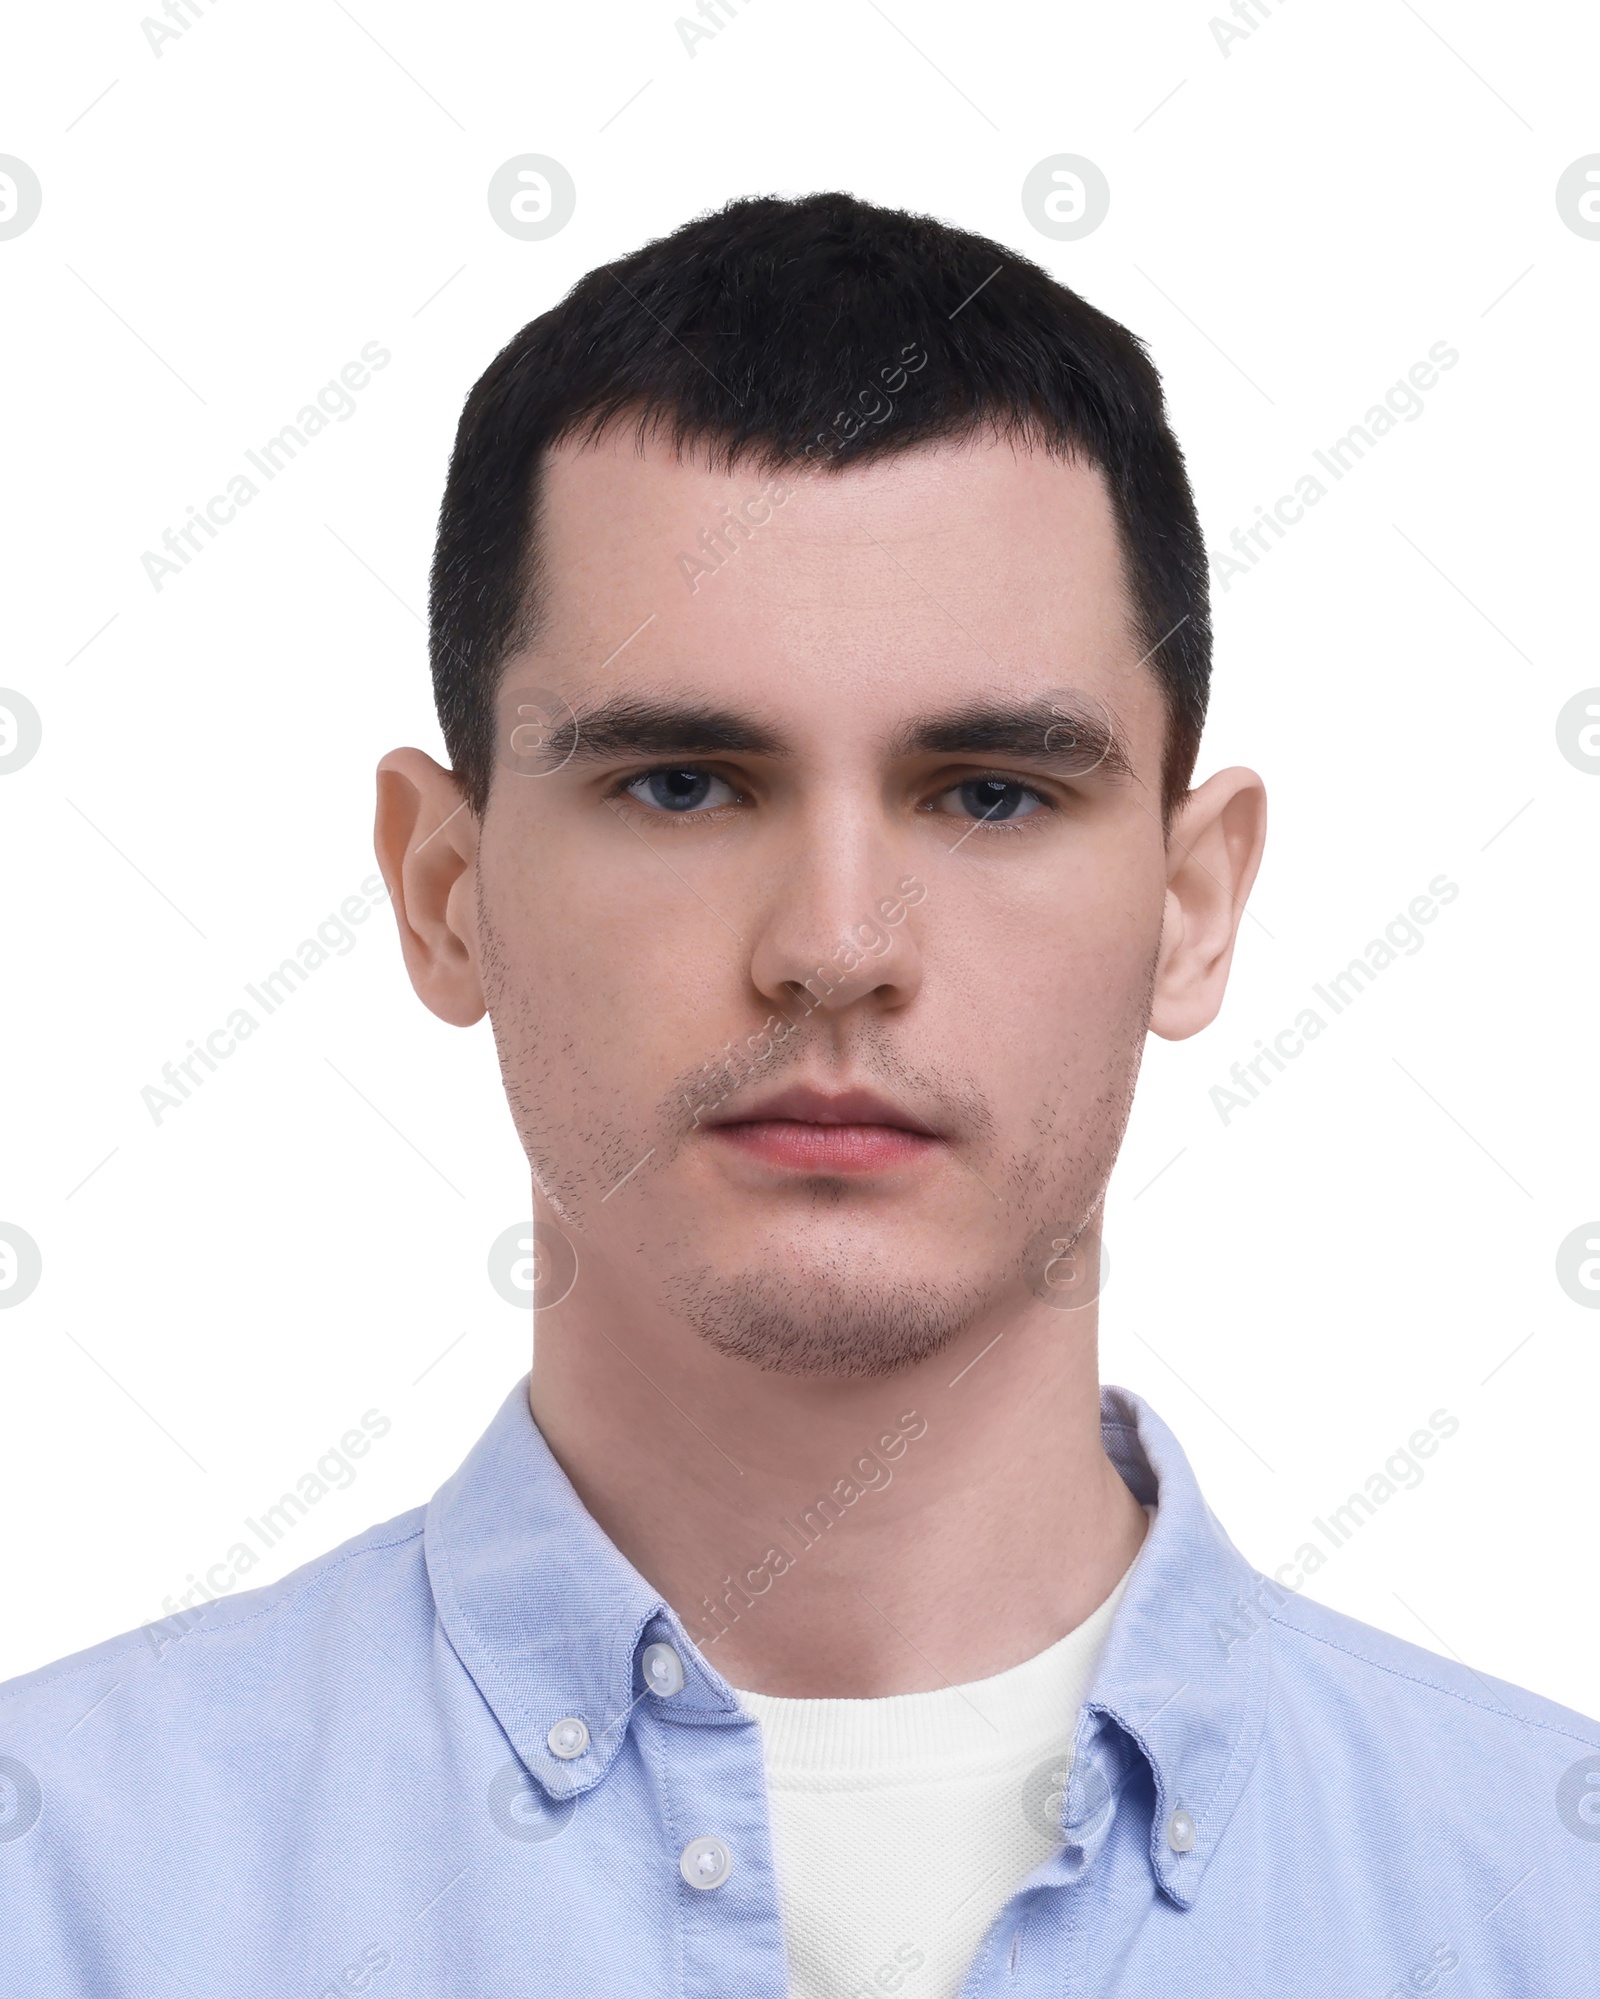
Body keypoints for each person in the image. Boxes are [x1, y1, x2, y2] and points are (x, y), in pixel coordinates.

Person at [2, 191, 1595, 1998]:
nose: (836, 946)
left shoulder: (1551, 1907)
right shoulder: (66, 1890)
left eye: (991, 791)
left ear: (1192, 904)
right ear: (446, 894)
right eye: (683, 784)